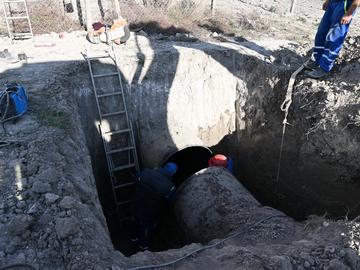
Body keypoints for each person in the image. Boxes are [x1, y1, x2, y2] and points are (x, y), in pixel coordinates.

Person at [305, 0, 360, 79]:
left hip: (345, 5)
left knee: (334, 38)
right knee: (321, 33)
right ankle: (317, 60)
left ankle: (325, 67)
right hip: (333, 3)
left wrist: (349, 12)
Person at [131, 162, 177, 251]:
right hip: (149, 211)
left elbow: (136, 178)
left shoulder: (146, 172)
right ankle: (143, 246)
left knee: (135, 220)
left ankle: (133, 238)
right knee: (146, 228)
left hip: (136, 203)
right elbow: (169, 201)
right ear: (173, 173)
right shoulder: (170, 187)